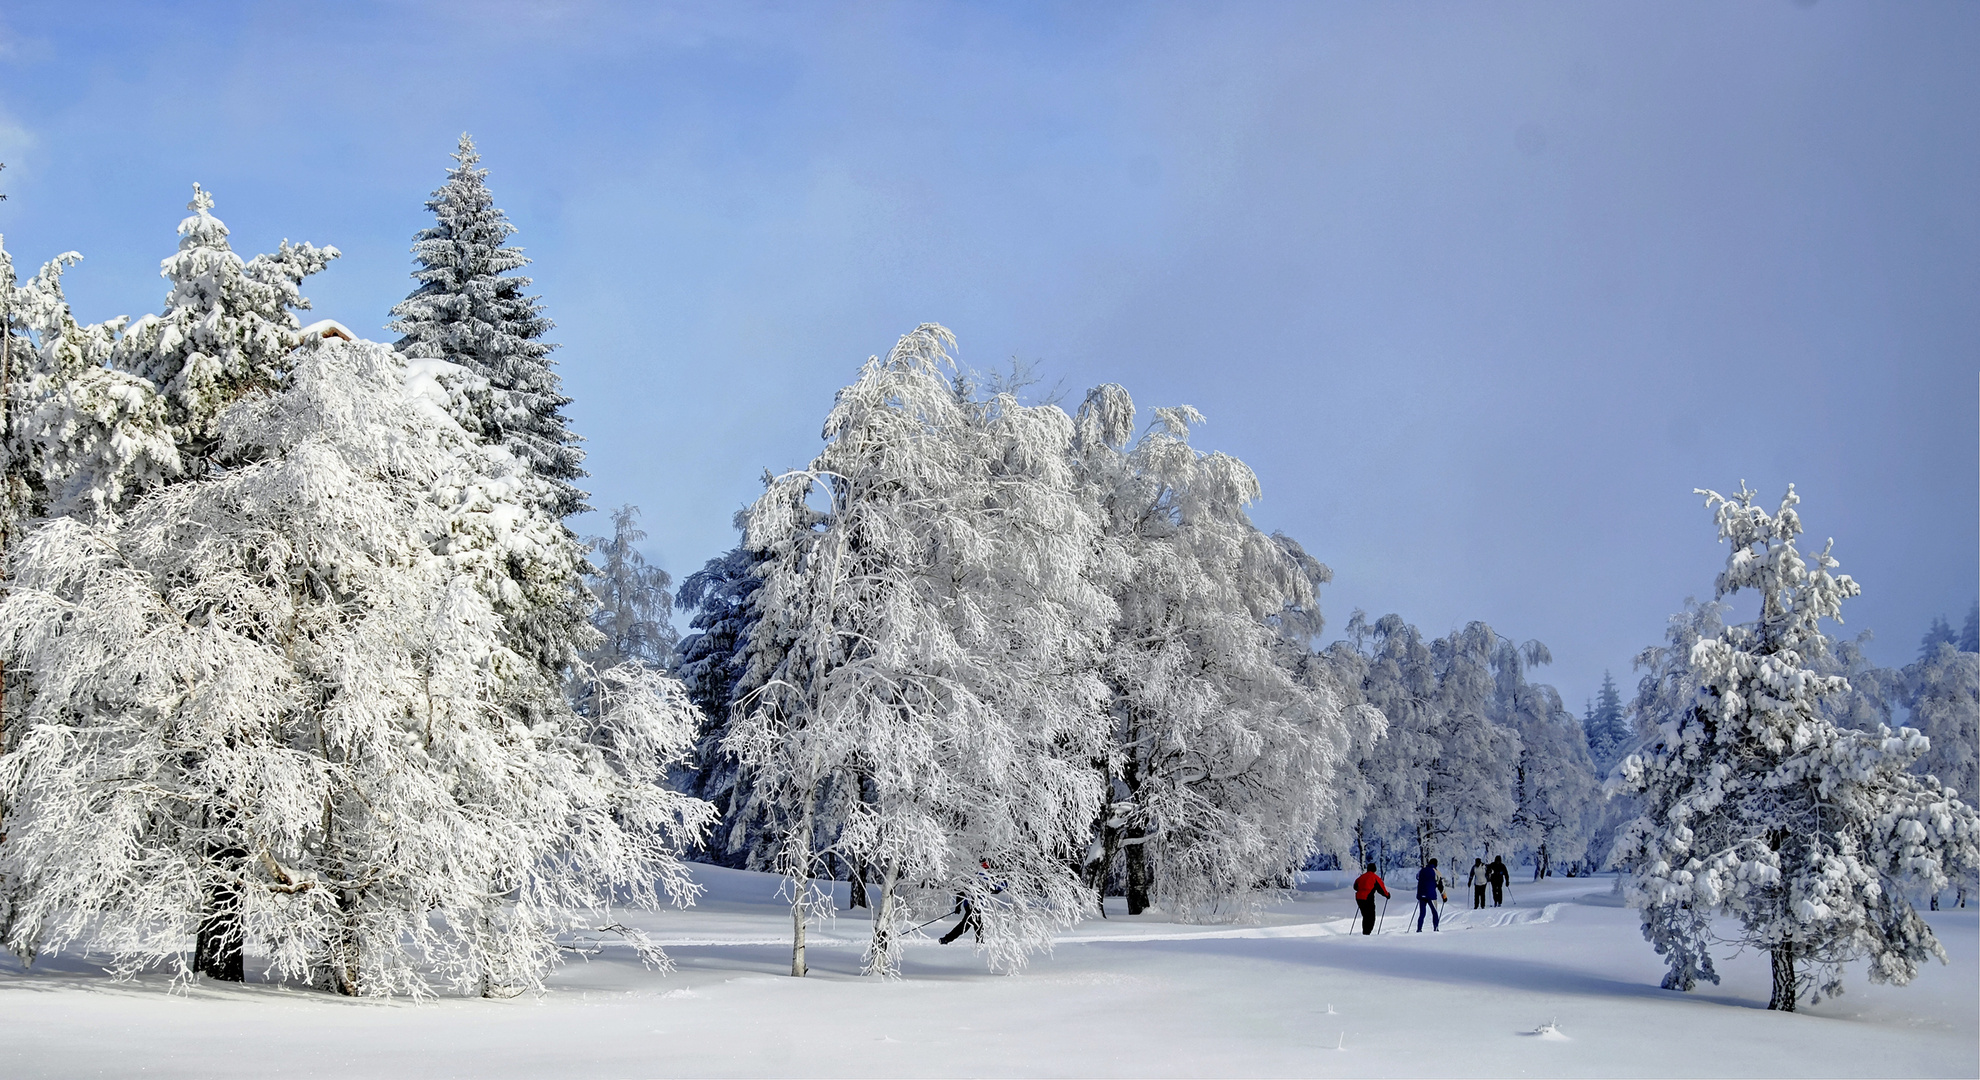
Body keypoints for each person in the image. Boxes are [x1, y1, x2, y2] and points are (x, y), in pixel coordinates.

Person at [1352, 862, 1390, 935]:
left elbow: (1355, 886)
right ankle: (1367, 933)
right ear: (1374, 869)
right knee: (1371, 916)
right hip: (1368, 898)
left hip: (1359, 898)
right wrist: (1387, 895)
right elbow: (1381, 888)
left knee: (1365, 915)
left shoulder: (1361, 877)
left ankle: (1365, 932)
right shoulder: (1375, 877)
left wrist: (1361, 889)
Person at [1415, 858, 1444, 932]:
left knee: (1422, 913)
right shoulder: (1436, 872)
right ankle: (1436, 927)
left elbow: (1417, 877)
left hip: (1421, 894)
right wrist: (1444, 896)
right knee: (1434, 912)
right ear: (1436, 864)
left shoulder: (1421, 870)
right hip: (1431, 896)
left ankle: (1419, 929)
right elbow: (1440, 885)